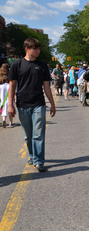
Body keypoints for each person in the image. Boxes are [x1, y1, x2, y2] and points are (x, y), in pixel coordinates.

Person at [7, 38, 56, 172]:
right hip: (22, 104)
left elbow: (47, 87)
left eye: (39, 48)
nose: (38, 51)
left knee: (38, 134)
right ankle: (32, 155)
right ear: (27, 49)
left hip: (38, 104)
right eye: (35, 48)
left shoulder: (42, 66)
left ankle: (39, 161)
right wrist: (10, 105)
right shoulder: (17, 65)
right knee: (28, 135)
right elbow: (12, 85)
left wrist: (52, 104)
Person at [0, 63, 14, 128]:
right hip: (8, 87)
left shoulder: (0, 75)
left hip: (1, 88)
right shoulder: (10, 74)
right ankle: (10, 122)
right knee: (10, 106)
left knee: (3, 106)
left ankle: (4, 119)